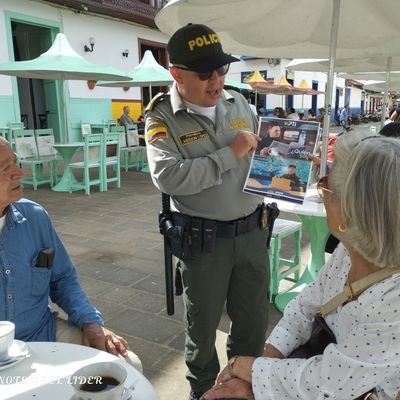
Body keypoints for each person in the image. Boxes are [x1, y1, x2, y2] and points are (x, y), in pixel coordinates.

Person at [203, 132, 400, 400]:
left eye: (326, 183)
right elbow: (305, 306)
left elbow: (331, 382)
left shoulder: (393, 299)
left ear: (349, 213)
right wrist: (267, 361)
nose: (322, 189)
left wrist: (248, 368)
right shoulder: (349, 250)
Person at [145, 23, 270, 400]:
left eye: (221, 69)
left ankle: (243, 389)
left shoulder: (239, 103)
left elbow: (263, 156)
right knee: (201, 336)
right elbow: (169, 177)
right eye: (204, 73)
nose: (216, 80)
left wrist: (293, 163)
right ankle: (203, 394)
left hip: (252, 234)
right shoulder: (161, 117)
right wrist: (228, 154)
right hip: (204, 245)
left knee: (252, 328)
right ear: (177, 74)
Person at [0, 137, 142, 371]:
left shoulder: (35, 217)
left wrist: (90, 322)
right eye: (6, 169)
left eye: (16, 162)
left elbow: (62, 279)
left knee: (127, 366)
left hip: (41, 335)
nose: (19, 173)